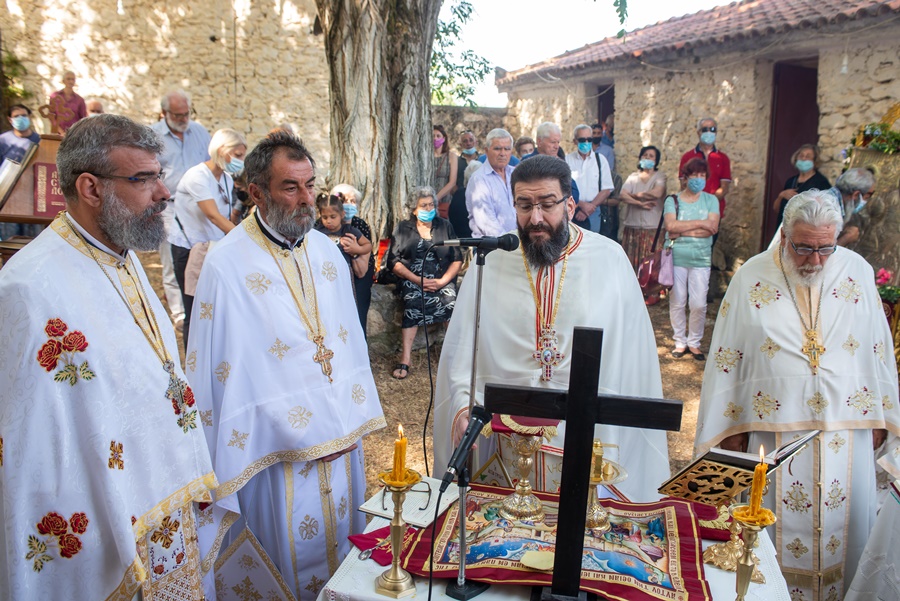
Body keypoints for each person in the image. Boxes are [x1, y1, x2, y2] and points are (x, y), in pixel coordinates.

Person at [0, 114, 216, 599]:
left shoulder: (122, 254)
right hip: (107, 519)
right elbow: (32, 447)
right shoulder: (28, 288)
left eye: (160, 175)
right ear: (91, 188)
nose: (163, 192)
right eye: (144, 179)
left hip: (164, 499)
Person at [187, 130, 385, 600]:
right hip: (270, 450)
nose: (306, 200)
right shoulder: (226, 263)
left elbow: (346, 343)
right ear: (256, 191)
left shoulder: (326, 253)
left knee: (342, 557)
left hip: (338, 436)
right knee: (282, 565)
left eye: (311, 185)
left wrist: (348, 421)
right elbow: (220, 367)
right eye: (290, 187)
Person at [695, 189, 899, 601]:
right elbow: (729, 356)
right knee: (771, 544)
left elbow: (877, 347)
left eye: (826, 248)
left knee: (849, 539)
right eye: (804, 247)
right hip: (774, 438)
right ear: (785, 236)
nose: (815, 260)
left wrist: (881, 415)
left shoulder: (856, 270)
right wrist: (728, 430)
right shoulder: (752, 275)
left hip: (848, 432)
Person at [434, 155, 670, 503]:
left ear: (570, 204)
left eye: (547, 204)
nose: (536, 218)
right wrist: (461, 404)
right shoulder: (493, 259)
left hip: (585, 434)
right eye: (525, 205)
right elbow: (463, 346)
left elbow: (633, 353)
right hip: (504, 441)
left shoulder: (610, 258)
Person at [171, 128, 246, 346]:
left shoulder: (227, 179)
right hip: (190, 249)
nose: (241, 161)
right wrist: (245, 239)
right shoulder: (197, 176)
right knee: (194, 310)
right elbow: (213, 215)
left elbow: (226, 214)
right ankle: (193, 366)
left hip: (214, 250)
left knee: (215, 309)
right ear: (223, 151)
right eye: (238, 155)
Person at [152, 89, 212, 333]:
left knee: (199, 257)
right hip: (168, 205)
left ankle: (200, 306)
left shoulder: (199, 132)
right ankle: (179, 312)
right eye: (178, 114)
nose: (183, 118)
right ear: (165, 113)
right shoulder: (153, 135)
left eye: (187, 113)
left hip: (199, 206)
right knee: (171, 259)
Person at [386, 186, 462, 380]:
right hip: (413, 278)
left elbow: (457, 259)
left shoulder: (445, 225)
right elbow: (393, 262)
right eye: (423, 205)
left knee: (451, 303)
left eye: (431, 205)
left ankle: (456, 357)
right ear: (413, 208)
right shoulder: (403, 228)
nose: (428, 209)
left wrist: (443, 281)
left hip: (440, 278)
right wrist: (417, 280)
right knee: (412, 302)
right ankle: (406, 358)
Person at [666, 157, 719, 360]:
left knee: (698, 303)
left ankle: (695, 342)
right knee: (678, 301)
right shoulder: (673, 200)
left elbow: (712, 229)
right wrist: (701, 224)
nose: (698, 179)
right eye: (695, 175)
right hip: (676, 257)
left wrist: (683, 229)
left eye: (702, 175)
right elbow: (671, 227)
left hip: (701, 258)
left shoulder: (711, 200)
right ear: (686, 177)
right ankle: (680, 341)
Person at [619, 146, 668, 302]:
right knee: (632, 259)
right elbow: (622, 195)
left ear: (656, 160)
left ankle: (652, 292)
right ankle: (634, 291)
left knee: (650, 260)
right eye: (645, 155)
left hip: (652, 228)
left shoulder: (660, 176)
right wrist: (639, 203)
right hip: (633, 227)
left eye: (652, 156)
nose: (648, 158)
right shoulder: (633, 177)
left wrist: (635, 195)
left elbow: (657, 193)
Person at [330, 183, 376, 333]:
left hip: (358, 276)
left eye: (353, 201)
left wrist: (355, 251)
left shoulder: (360, 226)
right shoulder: (321, 226)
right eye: (344, 201)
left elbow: (361, 271)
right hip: (331, 275)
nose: (349, 205)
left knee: (357, 313)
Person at [565, 123, 615, 239]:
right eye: (582, 139)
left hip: (594, 211)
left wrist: (590, 207)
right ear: (575, 141)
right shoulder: (567, 160)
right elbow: (564, 187)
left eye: (589, 139)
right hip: (573, 209)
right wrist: (582, 205)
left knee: (593, 244)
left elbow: (606, 189)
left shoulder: (600, 160)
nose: (586, 143)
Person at [467, 128, 517, 237]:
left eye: (507, 149)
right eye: (497, 149)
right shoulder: (479, 179)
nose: (502, 153)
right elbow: (486, 223)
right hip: (491, 247)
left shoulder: (516, 174)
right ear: (486, 150)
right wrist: (511, 244)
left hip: (518, 246)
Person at [679, 117, 731, 222]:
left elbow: (724, 187)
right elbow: (683, 184)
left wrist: (708, 204)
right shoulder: (687, 157)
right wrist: (696, 204)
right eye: (705, 129)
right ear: (698, 132)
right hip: (691, 210)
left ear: (716, 133)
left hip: (713, 211)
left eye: (712, 129)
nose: (709, 132)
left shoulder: (723, 158)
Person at [773, 144, 831, 229]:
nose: (803, 159)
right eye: (801, 156)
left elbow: (825, 212)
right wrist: (781, 195)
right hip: (784, 229)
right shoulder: (791, 181)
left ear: (814, 162)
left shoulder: (821, 182)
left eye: (808, 157)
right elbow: (776, 209)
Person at [314, 192, 372, 278]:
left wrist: (357, 249)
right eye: (325, 217)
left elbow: (368, 245)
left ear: (342, 215)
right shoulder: (317, 232)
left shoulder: (349, 231)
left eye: (333, 217)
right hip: (322, 272)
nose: (328, 221)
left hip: (344, 274)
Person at [833, 168, 876, 247]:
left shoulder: (834, 202)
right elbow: (819, 254)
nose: (866, 201)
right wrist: (845, 239)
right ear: (856, 194)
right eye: (867, 196)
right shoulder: (829, 211)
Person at [448, 131, 478, 237]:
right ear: (461, 144)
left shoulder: (483, 160)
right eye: (465, 141)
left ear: (476, 142)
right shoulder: (456, 162)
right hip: (460, 200)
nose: (468, 143)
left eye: (471, 140)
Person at [433, 125, 458, 219]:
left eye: (438, 136)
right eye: (433, 136)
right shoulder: (426, 156)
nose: (435, 138)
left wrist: (435, 198)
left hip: (444, 200)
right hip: (425, 201)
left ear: (444, 138)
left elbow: (452, 182)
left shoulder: (451, 156)